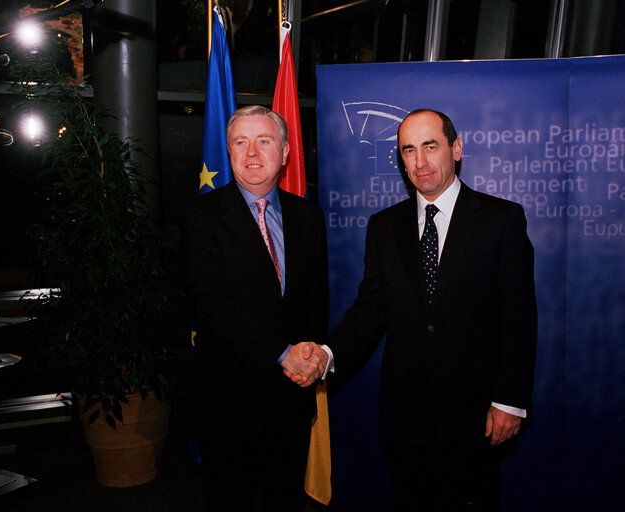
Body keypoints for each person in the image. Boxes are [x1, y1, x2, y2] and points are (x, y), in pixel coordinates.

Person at [288, 109, 537, 510]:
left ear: (455, 149)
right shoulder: (383, 227)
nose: (419, 162)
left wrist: (509, 400)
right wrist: (327, 354)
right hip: (405, 420)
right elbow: (370, 311)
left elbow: (519, 318)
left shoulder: (501, 219)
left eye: (430, 146)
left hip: (475, 416)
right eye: (408, 150)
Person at [184, 105, 329, 512]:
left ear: (285, 153)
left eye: (263, 141)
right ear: (228, 152)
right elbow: (210, 302)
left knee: (286, 501)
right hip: (229, 404)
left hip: (292, 401)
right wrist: (283, 354)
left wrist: (313, 358)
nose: (251, 153)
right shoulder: (202, 216)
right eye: (240, 142)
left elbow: (316, 303)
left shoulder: (308, 217)